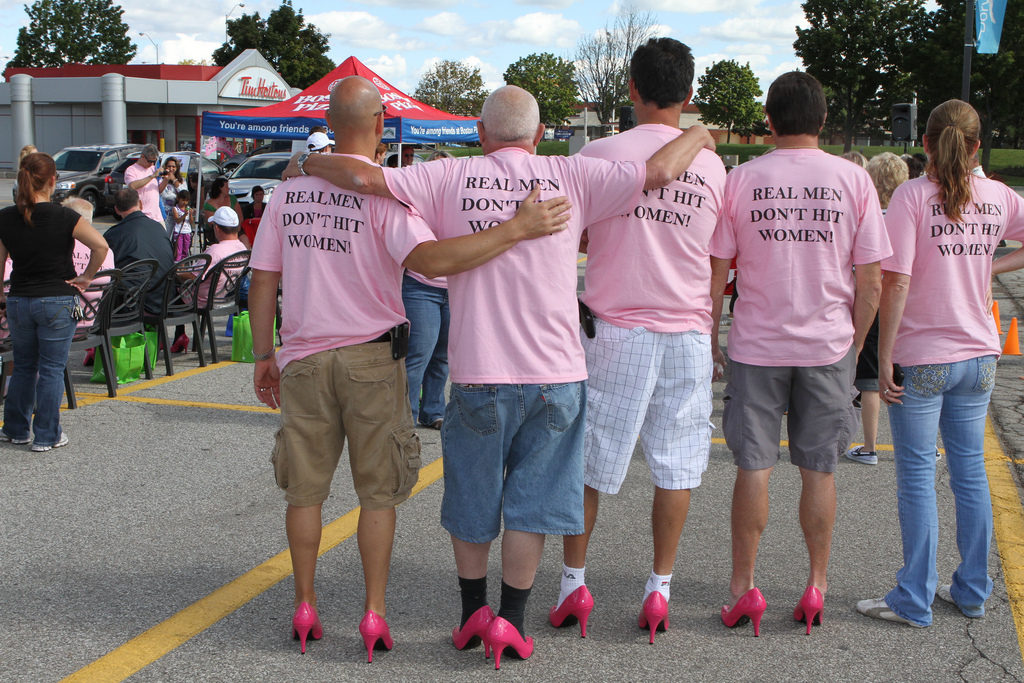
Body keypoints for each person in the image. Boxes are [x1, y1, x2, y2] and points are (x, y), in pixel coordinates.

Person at [288, 83, 714, 667]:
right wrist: (702, 131)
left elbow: (363, 179)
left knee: (473, 498)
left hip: (479, 370)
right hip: (556, 373)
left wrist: (308, 159)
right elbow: (661, 172)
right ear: (538, 136)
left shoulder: (447, 176)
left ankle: (471, 617)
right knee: (531, 506)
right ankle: (510, 623)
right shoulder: (573, 174)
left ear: (480, 135)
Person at [249, 75, 572, 663]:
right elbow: (428, 259)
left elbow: (264, 275)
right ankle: (373, 613)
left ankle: (305, 604)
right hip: (372, 357)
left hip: (300, 357)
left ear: (327, 117)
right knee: (378, 496)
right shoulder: (382, 194)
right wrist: (514, 231)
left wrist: (263, 354)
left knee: (304, 492)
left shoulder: (287, 191)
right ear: (379, 126)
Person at [552, 37, 726, 643]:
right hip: (686, 331)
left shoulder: (601, 153)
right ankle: (660, 589)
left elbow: (574, 237)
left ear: (631, 90)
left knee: (591, 462)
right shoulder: (711, 165)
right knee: (675, 466)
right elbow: (712, 255)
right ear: (689, 95)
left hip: (617, 329)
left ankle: (575, 583)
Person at [709, 71, 890, 636]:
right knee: (819, 470)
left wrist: (713, 334)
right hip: (827, 345)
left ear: (768, 120)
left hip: (758, 345)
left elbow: (719, 268)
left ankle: (744, 587)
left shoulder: (743, 179)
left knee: (753, 467)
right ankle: (815, 584)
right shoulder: (851, 180)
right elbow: (872, 280)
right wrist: (857, 341)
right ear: (823, 120)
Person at [856, 100, 1024, 627]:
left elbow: (896, 280)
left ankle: (914, 597)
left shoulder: (911, 196)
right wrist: (992, 264)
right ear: (977, 145)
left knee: (917, 477)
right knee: (970, 472)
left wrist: (885, 358)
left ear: (924, 143)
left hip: (925, 355)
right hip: (980, 354)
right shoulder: (997, 196)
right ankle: (972, 590)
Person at [0, 153, 108, 451]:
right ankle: (47, 435)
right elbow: (100, 246)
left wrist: (1, 295)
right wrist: (86, 277)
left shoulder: (7, 216)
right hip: (57, 299)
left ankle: (16, 428)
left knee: (22, 366)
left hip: (19, 299)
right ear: (52, 180)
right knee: (51, 368)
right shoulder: (65, 217)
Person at [846, 153, 909, 465]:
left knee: (870, 378)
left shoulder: (869, 216)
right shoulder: (907, 215)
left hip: (874, 299)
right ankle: (918, 442)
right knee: (904, 375)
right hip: (903, 302)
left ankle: (870, 446)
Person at [104, 188, 176, 318]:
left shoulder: (114, 234)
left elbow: (105, 269)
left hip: (136, 302)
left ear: (116, 209)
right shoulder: (158, 227)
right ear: (141, 204)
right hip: (167, 297)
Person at [196, 206, 247, 308]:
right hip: (228, 296)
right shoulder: (242, 248)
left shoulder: (214, 251)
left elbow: (195, 276)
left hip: (203, 300)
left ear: (217, 228)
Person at [124, 144, 169, 223]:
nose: (152, 164)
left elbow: (158, 190)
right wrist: (152, 176)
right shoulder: (131, 170)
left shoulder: (153, 168)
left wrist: (166, 180)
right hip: (142, 216)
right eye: (150, 161)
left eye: (154, 161)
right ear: (142, 157)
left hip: (157, 216)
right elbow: (132, 186)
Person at [160, 156, 186, 236]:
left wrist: (174, 180)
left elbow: (184, 194)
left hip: (178, 214)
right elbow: (162, 193)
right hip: (164, 214)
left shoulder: (182, 180)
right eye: (169, 166)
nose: (171, 169)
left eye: (173, 166)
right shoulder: (161, 179)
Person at [169, 189, 194, 261]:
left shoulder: (188, 208)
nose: (184, 202)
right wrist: (185, 215)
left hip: (187, 232)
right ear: (178, 199)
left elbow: (191, 222)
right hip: (179, 232)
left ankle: (182, 267)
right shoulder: (175, 209)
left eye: (186, 201)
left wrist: (191, 214)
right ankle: (178, 267)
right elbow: (177, 220)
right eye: (183, 200)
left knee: (185, 251)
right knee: (178, 251)